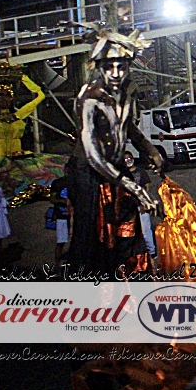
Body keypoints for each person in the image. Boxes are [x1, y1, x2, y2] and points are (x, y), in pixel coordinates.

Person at [66, 27, 164, 276]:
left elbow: (127, 126)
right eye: (110, 67)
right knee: (93, 236)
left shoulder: (129, 90)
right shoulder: (89, 97)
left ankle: (131, 284)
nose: (116, 74)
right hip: (89, 173)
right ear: (100, 67)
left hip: (116, 167)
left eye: (121, 67)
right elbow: (92, 154)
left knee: (128, 231)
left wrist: (149, 149)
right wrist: (133, 187)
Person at [0, 64, 67, 206]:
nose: (4, 100)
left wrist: (23, 78)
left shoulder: (19, 115)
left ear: (12, 99)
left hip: (20, 157)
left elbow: (40, 95)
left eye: (7, 96)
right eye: (0, 97)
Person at [124, 151, 158, 263]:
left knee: (145, 230)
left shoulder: (140, 172)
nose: (128, 161)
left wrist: (145, 202)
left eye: (130, 158)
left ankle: (151, 252)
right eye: (125, 159)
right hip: (129, 207)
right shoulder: (123, 174)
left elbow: (147, 188)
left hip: (141, 206)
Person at [49, 176, 71, 269]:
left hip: (74, 216)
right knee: (61, 241)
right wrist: (64, 201)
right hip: (61, 216)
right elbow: (52, 199)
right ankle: (57, 265)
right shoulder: (57, 183)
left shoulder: (75, 181)